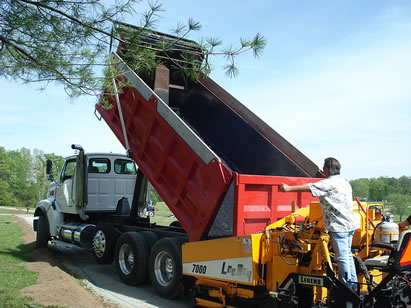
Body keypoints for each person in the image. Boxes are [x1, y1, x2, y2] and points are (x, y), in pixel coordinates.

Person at [280, 157, 357, 290]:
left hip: (339, 227)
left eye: (324, 168)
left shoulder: (329, 184)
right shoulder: (345, 182)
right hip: (350, 225)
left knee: (342, 257)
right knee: (348, 255)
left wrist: (287, 188)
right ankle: (353, 284)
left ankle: (346, 288)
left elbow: (310, 187)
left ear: (327, 170)